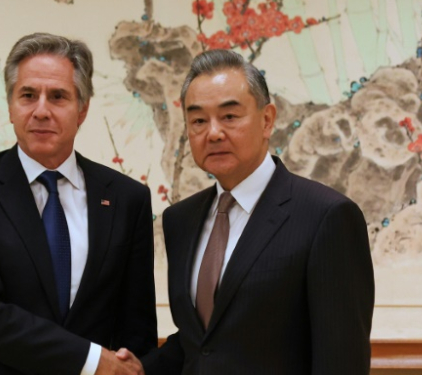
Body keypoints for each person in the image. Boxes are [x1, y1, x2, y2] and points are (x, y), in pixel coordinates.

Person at [125, 49, 375, 374]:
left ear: (267, 119)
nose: (213, 132)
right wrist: (138, 370)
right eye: (198, 120)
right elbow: (202, 343)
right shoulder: (180, 220)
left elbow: (341, 362)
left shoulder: (326, 217)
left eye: (229, 116)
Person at [0, 32, 156, 375]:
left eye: (57, 97)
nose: (41, 110)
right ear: (10, 106)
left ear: (82, 110)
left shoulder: (128, 198)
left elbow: (136, 326)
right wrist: (93, 361)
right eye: (27, 95)